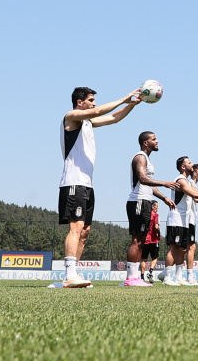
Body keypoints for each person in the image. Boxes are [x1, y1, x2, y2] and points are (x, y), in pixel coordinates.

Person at [59, 86, 143, 289]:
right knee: (76, 227)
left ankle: (74, 275)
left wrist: (131, 104)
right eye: (90, 100)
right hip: (73, 182)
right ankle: (69, 275)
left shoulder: (87, 123)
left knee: (85, 231)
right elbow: (98, 112)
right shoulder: (70, 117)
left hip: (87, 184)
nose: (94, 104)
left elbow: (114, 118)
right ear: (80, 103)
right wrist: (124, 97)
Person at [124, 131, 179, 287]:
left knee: (141, 241)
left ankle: (135, 278)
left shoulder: (148, 159)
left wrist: (164, 198)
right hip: (138, 201)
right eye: (154, 139)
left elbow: (150, 186)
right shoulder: (140, 157)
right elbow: (142, 178)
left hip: (146, 201)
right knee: (137, 240)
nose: (157, 141)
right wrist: (164, 183)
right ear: (145, 143)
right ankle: (130, 278)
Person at [161, 157, 198, 286]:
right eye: (189, 163)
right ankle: (167, 277)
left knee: (182, 249)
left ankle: (179, 277)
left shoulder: (186, 181)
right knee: (174, 248)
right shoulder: (180, 180)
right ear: (183, 167)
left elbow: (197, 192)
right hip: (176, 218)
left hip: (184, 220)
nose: (191, 164)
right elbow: (195, 194)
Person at [141, 203, 160, 282]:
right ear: (153, 206)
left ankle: (142, 276)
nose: (157, 208)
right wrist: (159, 233)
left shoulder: (145, 215)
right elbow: (156, 227)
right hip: (153, 239)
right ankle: (150, 272)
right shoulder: (155, 215)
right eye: (157, 206)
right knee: (154, 258)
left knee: (144, 259)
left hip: (144, 240)